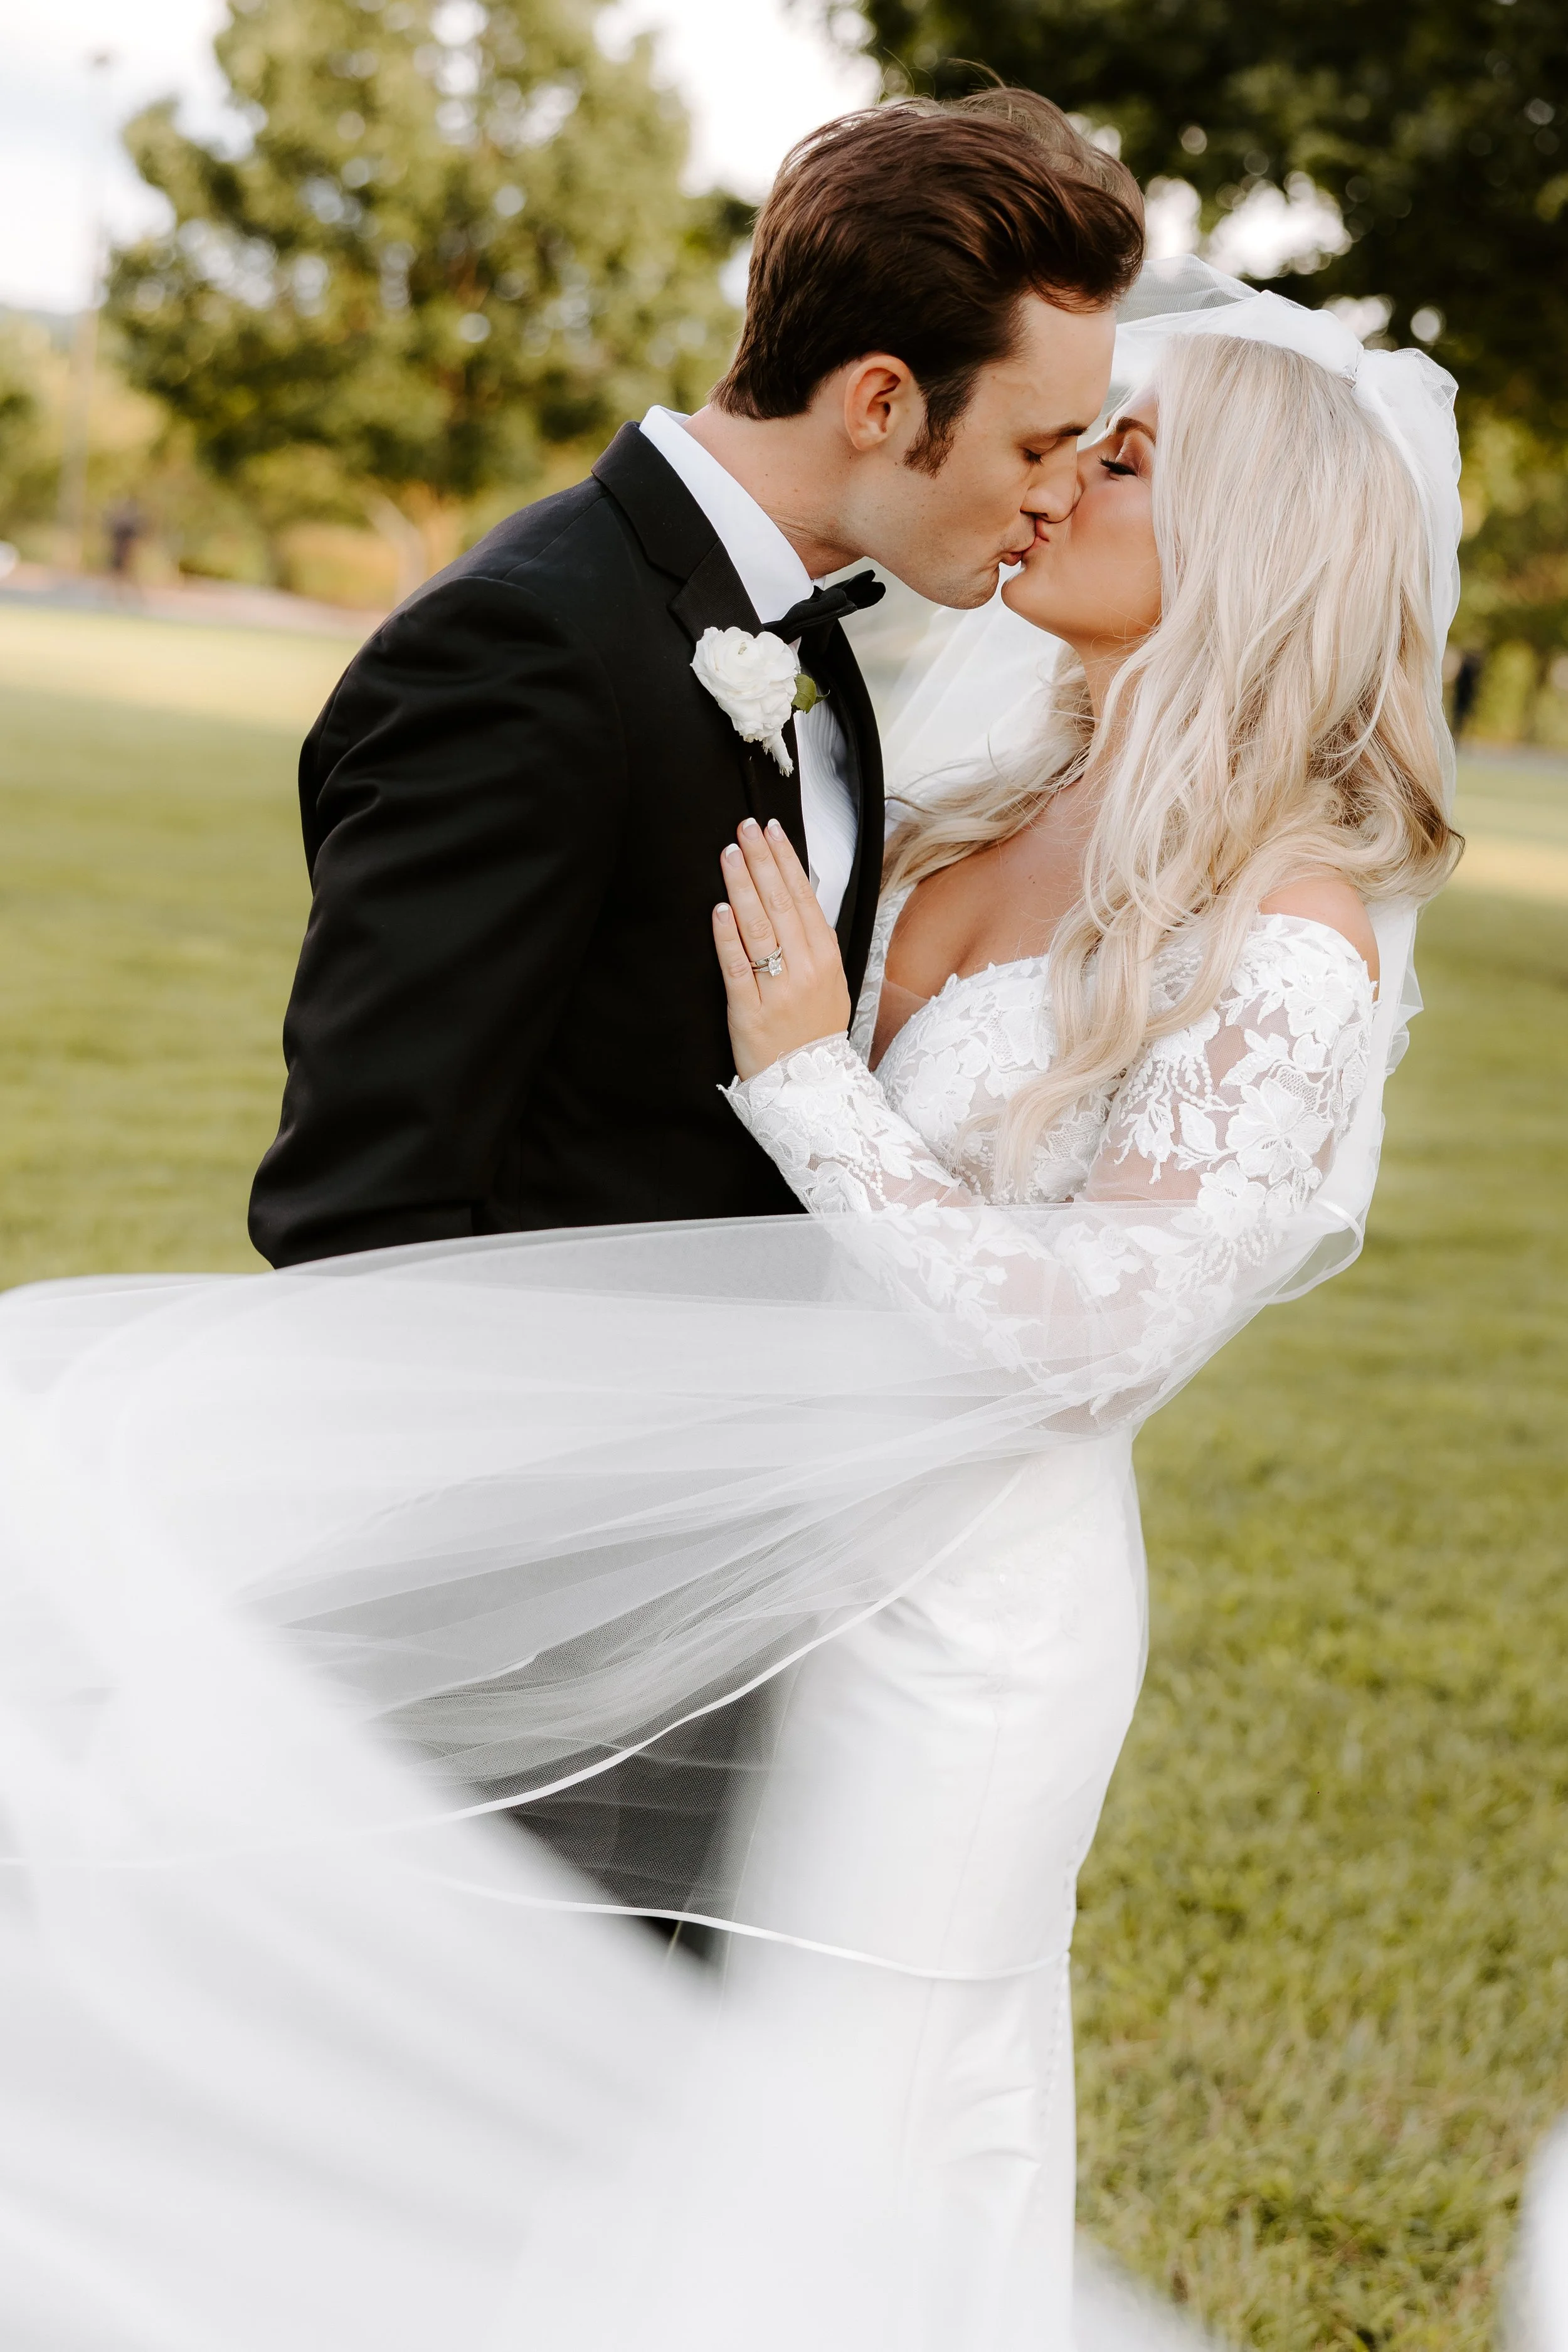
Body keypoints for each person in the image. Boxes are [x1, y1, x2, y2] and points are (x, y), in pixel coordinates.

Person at [0, 255, 1462, 2352]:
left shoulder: (1287, 929)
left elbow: (1087, 1338)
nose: (1053, 487)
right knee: (646, 2101)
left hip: (958, 1625)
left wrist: (808, 1086)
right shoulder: (989, 794)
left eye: (1120, 459)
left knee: (812, 2141)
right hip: (764, 1549)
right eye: (1060, 441)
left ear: (1259, 538)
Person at [247, 91, 1143, 1266]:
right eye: (1038, 446)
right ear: (880, 402)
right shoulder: (519, 647)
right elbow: (360, 1208)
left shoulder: (809, 634)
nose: (1061, 494)